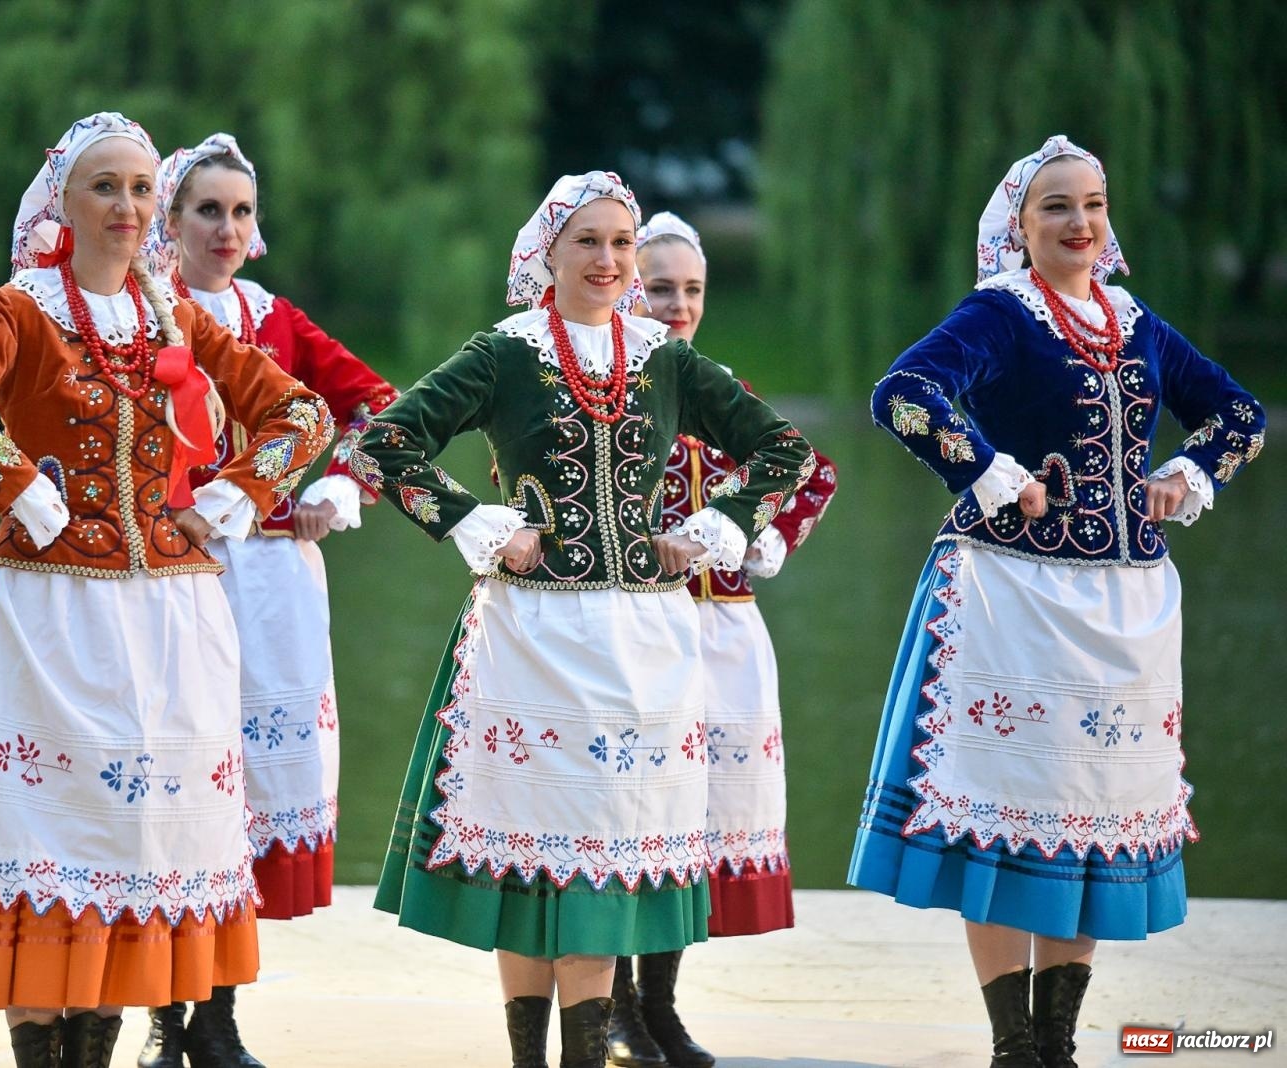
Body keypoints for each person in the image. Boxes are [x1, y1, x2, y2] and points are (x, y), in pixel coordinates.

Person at [0, 112, 334, 1068]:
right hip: (50, 616)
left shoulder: (176, 316)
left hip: (174, 617)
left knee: (141, 850)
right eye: (107, 188)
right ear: (65, 200)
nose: (129, 208)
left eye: (142, 190)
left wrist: (228, 499)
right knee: (51, 845)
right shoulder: (17, 308)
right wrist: (18, 484)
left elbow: (301, 414)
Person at [355, 171, 815, 1068]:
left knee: (607, 857)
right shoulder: (506, 352)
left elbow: (785, 450)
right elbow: (384, 441)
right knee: (532, 868)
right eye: (588, 242)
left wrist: (714, 527)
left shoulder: (668, 360)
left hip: (643, 642)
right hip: (530, 635)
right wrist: (477, 523)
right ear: (549, 255)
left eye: (620, 244)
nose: (608, 261)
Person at [847, 135, 1265, 1067]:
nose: (1081, 223)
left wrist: (1188, 470)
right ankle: (1012, 1047)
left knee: (1087, 820)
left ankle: (1057, 1043)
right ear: (1020, 226)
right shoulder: (1002, 313)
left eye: (1094, 204)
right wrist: (988, 469)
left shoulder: (1135, 320)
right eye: (1058, 208)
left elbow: (1240, 416)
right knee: (1007, 810)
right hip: (1011, 599)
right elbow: (904, 394)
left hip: (1125, 615)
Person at [134, 132, 399, 1068]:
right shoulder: (138, 314)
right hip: (169, 571)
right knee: (178, 790)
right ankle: (168, 1018)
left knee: (247, 799)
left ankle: (217, 1018)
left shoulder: (274, 318)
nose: (228, 227)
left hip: (275, 580)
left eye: (242, 211)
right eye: (207, 209)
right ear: (168, 221)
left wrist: (344, 487)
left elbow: (385, 407)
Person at [600, 212, 839, 1068]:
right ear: (626, 285)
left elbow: (811, 470)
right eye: (659, 287)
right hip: (632, 626)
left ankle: (658, 1008)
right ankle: (615, 1007)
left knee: (695, 825)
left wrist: (768, 535)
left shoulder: (716, 384)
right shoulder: (605, 387)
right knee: (631, 816)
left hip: (725, 634)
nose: (676, 305)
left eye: (692, 290)